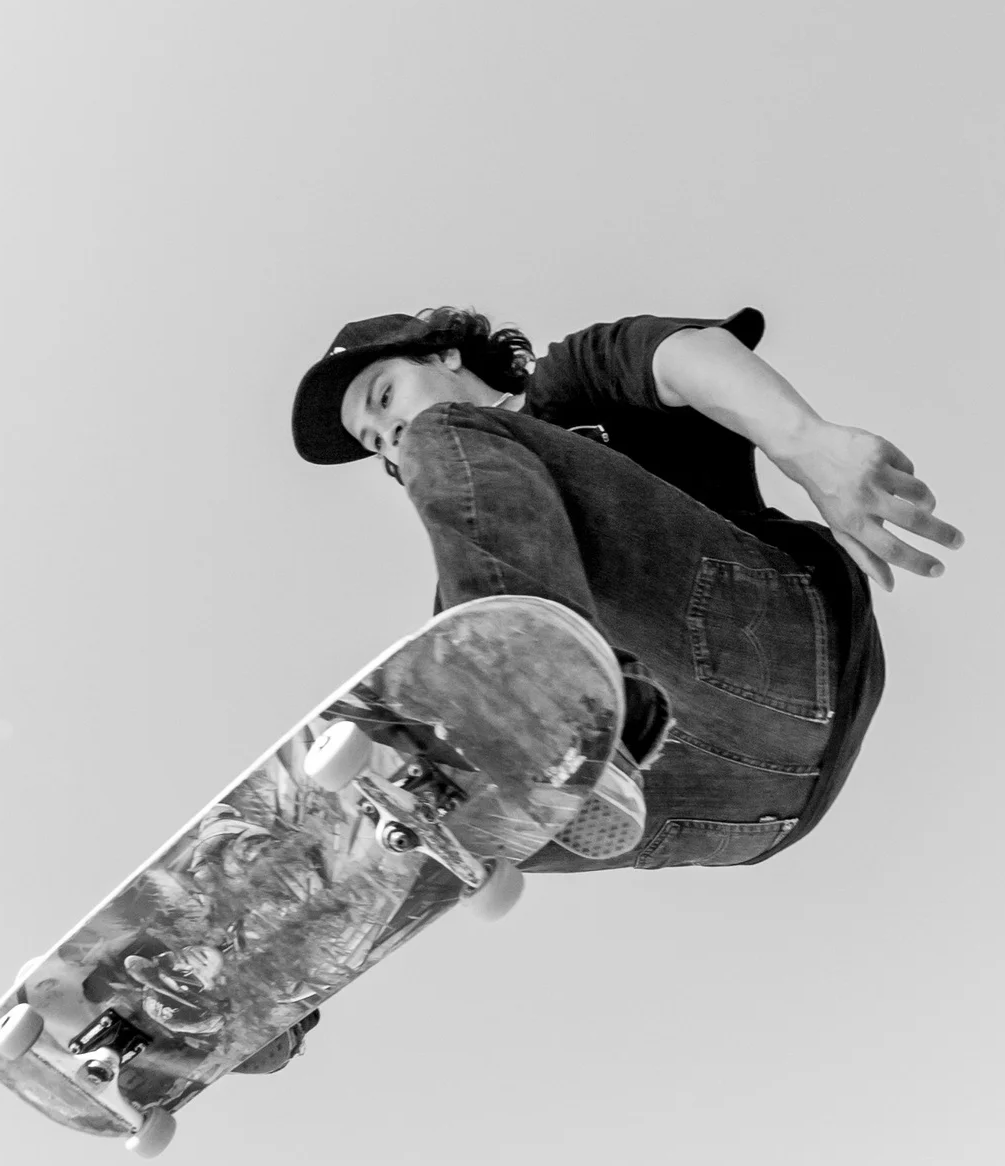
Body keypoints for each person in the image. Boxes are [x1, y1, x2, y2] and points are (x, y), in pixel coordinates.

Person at [288, 304, 960, 877]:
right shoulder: (479, 601)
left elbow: (684, 357)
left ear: (446, 354)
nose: (394, 440)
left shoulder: (570, 381)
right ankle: (268, 970)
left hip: (782, 655)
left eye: (385, 399)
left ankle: (561, 722)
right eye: (379, 443)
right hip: (722, 809)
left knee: (482, 645)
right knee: (418, 786)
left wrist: (806, 442)